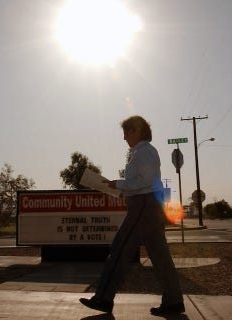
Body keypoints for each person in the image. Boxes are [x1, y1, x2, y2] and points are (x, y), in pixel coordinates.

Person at [80, 115, 185, 316]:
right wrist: (123, 190)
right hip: (149, 207)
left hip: (143, 208)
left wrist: (118, 184)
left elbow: (145, 181)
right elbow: (143, 182)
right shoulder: (144, 152)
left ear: (136, 130)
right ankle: (174, 302)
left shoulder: (143, 152)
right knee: (161, 258)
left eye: (127, 132)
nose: (125, 137)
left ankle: (103, 299)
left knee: (119, 251)